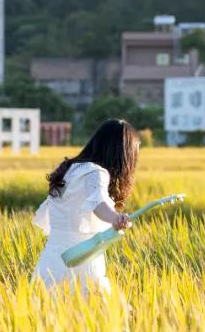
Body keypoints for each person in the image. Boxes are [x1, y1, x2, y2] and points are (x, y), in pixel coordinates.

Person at [31, 118, 140, 294]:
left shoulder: (70, 169)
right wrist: (115, 218)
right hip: (81, 264)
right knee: (102, 317)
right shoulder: (95, 173)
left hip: (49, 264)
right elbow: (98, 202)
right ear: (122, 153)